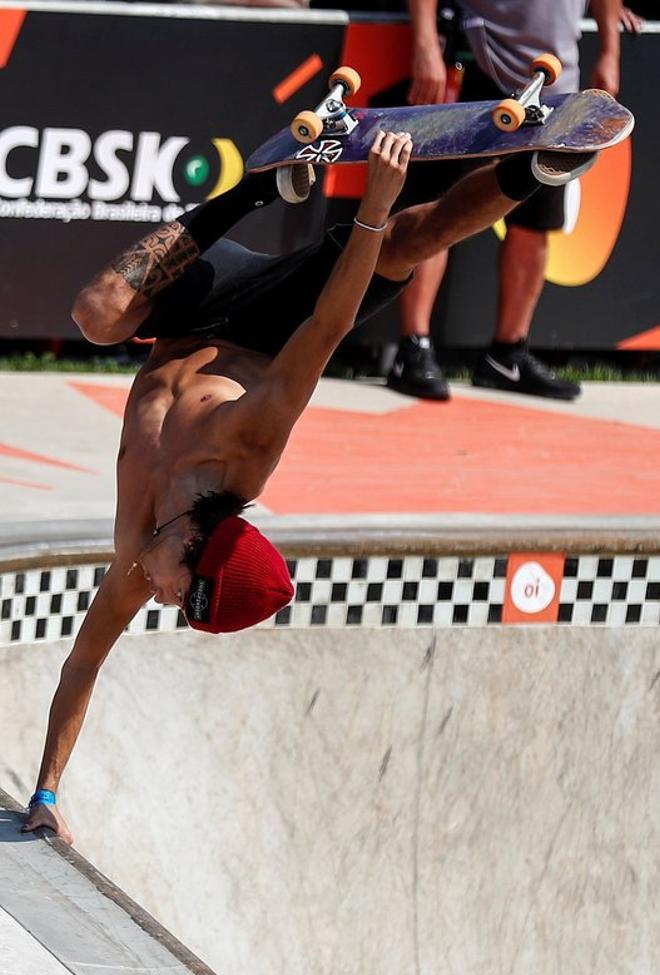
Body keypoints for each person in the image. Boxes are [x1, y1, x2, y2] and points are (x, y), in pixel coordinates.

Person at [21, 131, 594, 843]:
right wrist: (374, 211)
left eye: (171, 603)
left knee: (99, 313)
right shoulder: (250, 445)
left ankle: (527, 168)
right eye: (180, 593)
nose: (161, 599)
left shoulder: (138, 554)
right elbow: (327, 328)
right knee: (404, 241)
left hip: (186, 323)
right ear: (197, 544)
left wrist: (47, 790)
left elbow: (82, 661)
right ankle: (272, 189)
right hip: (275, 325)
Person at [387, 0, 626, 402]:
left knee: (536, 222)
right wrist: (425, 45)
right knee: (435, 216)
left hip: (556, 83)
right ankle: (413, 347)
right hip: (478, 67)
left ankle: (506, 355)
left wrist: (609, 52)